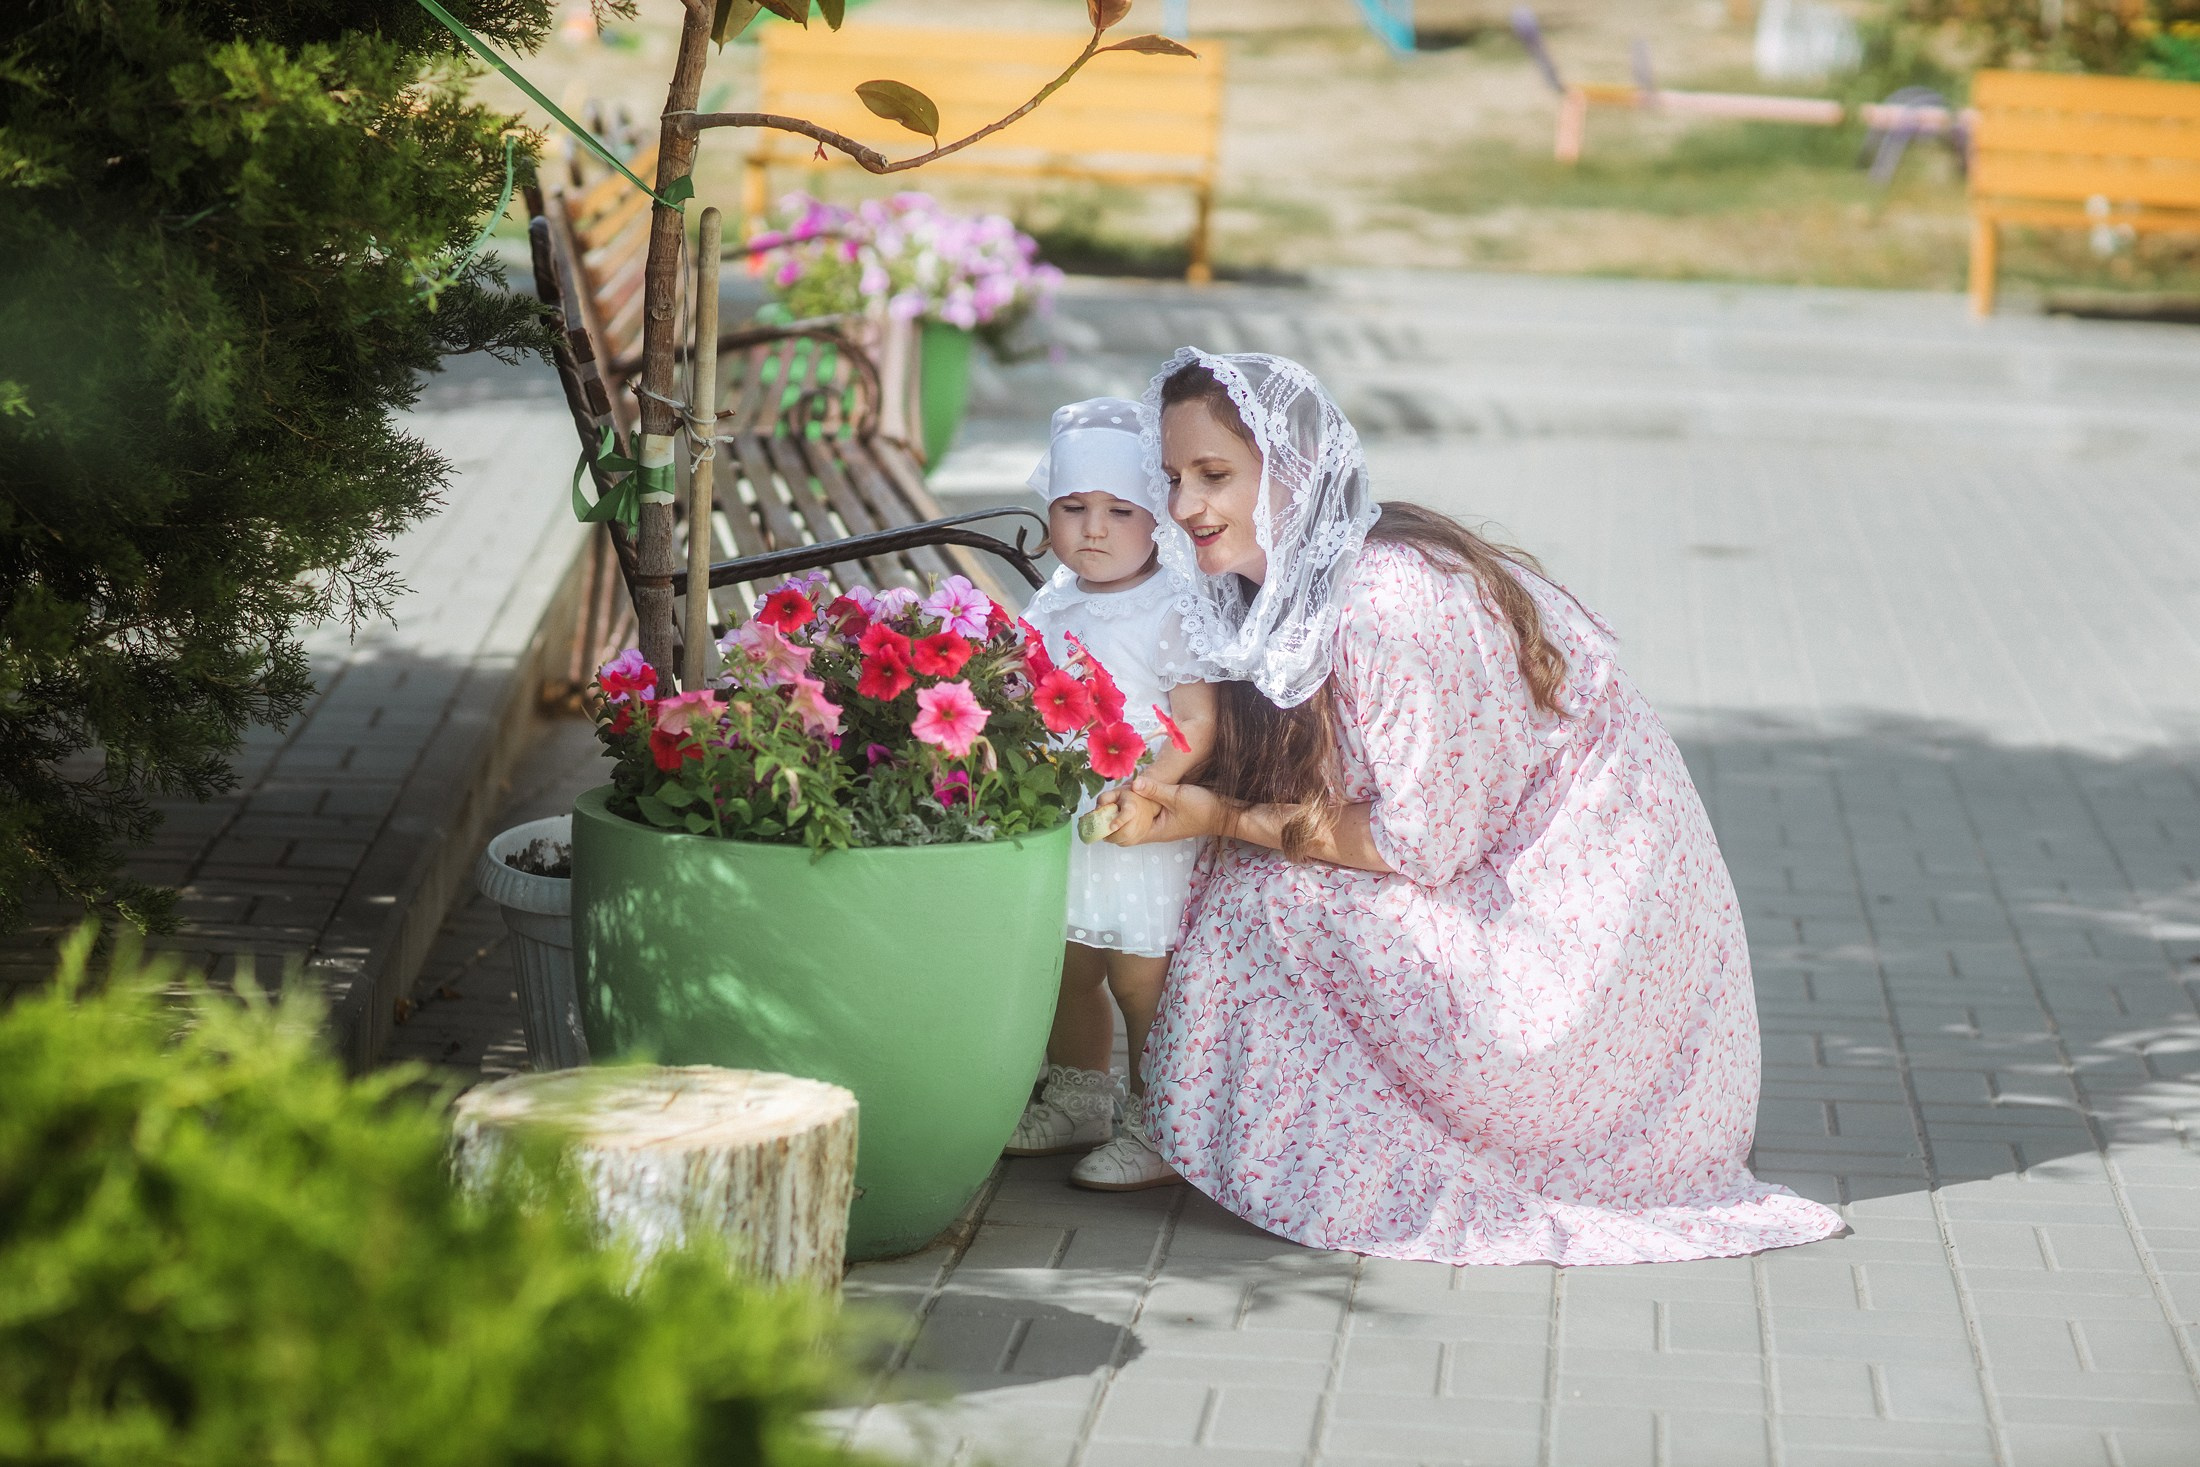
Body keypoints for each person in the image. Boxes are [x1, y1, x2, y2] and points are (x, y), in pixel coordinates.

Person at [1095, 350, 1846, 1264]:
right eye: (1172, 478)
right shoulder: (1262, 589)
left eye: (1215, 475)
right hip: (1493, 876)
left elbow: (1420, 842)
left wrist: (1216, 815)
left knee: (1260, 905)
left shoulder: (1391, 601)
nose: (1183, 507)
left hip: (1572, 954)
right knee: (1235, 877)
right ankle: (1193, 1118)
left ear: (1292, 474)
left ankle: (1217, 1131)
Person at [1005, 397, 1215, 1192]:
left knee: (1138, 976)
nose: (1093, 529)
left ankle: (1155, 1117)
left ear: (1157, 516)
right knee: (1067, 964)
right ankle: (1079, 1095)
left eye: (1119, 511)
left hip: (1139, 819)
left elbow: (1197, 718)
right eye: (1072, 508)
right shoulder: (1056, 595)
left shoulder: (1169, 606)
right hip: (1065, 815)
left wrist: (1154, 785)